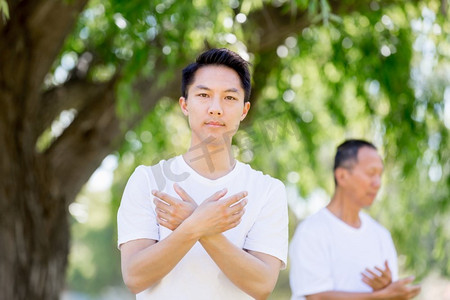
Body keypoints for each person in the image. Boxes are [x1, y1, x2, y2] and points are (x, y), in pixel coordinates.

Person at [117, 48, 288, 300]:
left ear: (244, 109)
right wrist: (196, 225)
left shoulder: (267, 190)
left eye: (230, 98)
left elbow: (262, 285)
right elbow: (134, 277)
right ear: (185, 105)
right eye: (204, 95)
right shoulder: (148, 180)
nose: (216, 108)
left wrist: (198, 225)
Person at [289, 139, 421, 300]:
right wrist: (381, 295)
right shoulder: (311, 231)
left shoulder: (381, 235)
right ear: (342, 176)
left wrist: (388, 290)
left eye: (380, 175)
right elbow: (316, 297)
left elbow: (389, 295)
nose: (377, 183)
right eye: (371, 173)